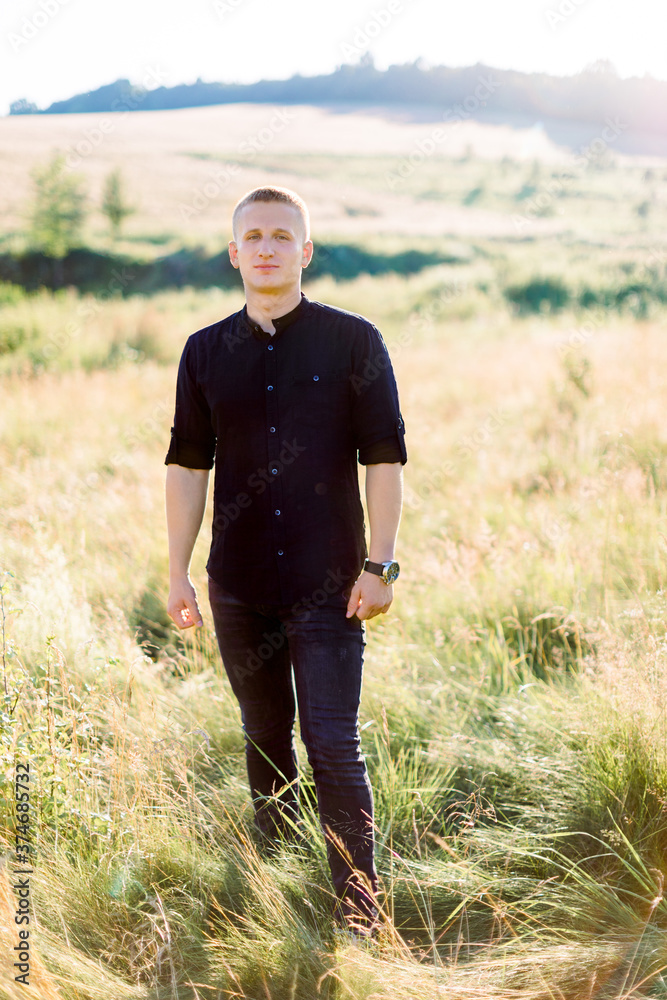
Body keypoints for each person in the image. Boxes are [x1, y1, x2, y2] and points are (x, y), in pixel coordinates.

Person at [164, 185, 406, 934]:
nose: (266, 247)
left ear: (304, 251)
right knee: (264, 735)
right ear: (234, 253)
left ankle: (358, 908)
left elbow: (385, 456)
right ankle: (274, 878)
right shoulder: (204, 351)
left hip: (329, 582)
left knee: (331, 740)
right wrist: (176, 570)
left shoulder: (353, 341)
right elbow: (186, 463)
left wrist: (381, 563)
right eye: (253, 236)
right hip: (237, 583)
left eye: (281, 235)